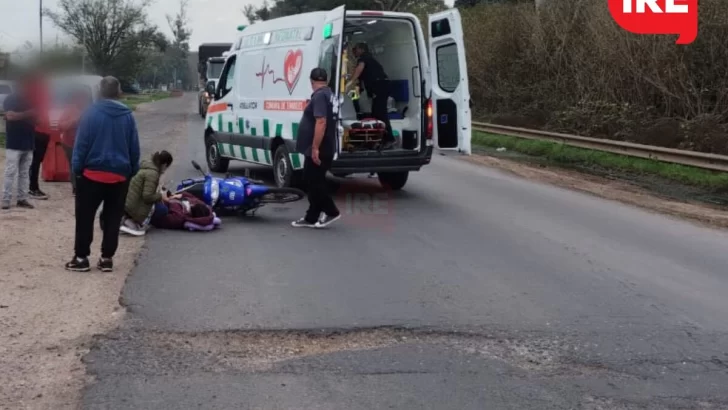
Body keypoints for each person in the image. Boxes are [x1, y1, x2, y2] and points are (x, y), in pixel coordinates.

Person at [66, 76, 140, 273]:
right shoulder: (127, 116)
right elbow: (134, 147)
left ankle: (81, 258)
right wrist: (132, 169)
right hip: (119, 176)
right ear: (118, 92)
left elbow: (81, 145)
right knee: (113, 218)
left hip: (92, 175)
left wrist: (77, 169)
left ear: (100, 91)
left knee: (85, 217)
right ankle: (107, 258)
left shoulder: (90, 114)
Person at [292, 68, 341, 229]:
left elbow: (321, 122)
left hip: (320, 147)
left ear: (312, 81)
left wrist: (315, 148)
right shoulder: (329, 94)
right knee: (312, 180)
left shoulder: (320, 96)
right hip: (326, 145)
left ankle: (331, 211)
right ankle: (311, 217)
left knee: (314, 182)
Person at [346, 43, 394, 150]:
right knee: (376, 113)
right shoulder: (369, 60)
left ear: (362, 50)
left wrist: (349, 82)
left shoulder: (365, 58)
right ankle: (378, 139)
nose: (354, 51)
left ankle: (389, 139)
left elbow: (359, 70)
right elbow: (362, 81)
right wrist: (356, 91)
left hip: (380, 86)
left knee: (380, 113)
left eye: (356, 49)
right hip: (380, 87)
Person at [120, 150, 178, 236]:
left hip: (129, 201)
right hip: (134, 205)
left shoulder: (147, 166)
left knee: (161, 207)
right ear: (165, 165)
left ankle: (130, 219)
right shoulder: (153, 174)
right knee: (163, 210)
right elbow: (147, 197)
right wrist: (161, 196)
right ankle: (131, 221)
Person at [2, 76, 37, 210]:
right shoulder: (11, 99)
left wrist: (19, 115)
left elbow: (38, 114)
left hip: (28, 141)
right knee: (10, 171)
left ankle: (22, 198)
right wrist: (29, 114)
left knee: (24, 172)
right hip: (15, 141)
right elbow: (10, 116)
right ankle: (6, 199)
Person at [58, 89, 93, 196]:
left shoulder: (91, 110)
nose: (83, 101)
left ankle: (85, 186)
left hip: (86, 144)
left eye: (85, 99)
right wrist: (75, 121)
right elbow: (61, 126)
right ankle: (76, 187)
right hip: (69, 143)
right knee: (74, 165)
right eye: (81, 98)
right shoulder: (69, 110)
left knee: (86, 165)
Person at [25, 71, 51, 199]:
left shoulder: (44, 90)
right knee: (35, 161)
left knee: (37, 161)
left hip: (45, 130)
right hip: (38, 131)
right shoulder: (33, 90)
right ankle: (32, 188)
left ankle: (32, 186)